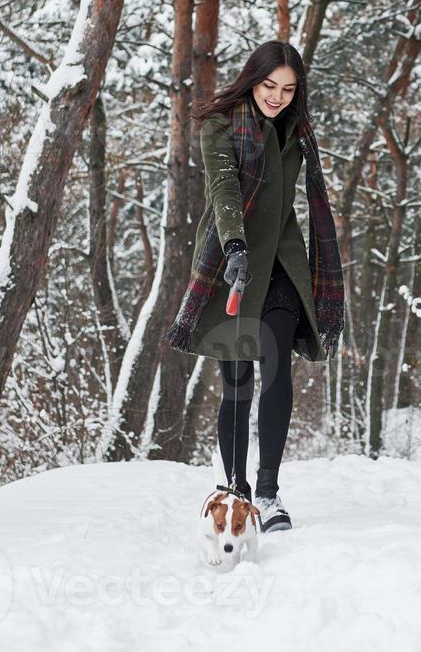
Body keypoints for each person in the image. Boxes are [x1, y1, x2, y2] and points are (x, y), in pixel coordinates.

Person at [159, 40, 346, 534]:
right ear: (252, 79)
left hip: (282, 261)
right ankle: (236, 489)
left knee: (277, 363)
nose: (277, 97)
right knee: (237, 383)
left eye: (288, 89)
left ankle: (268, 489)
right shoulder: (219, 124)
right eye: (269, 86)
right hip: (230, 259)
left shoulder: (296, 131)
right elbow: (223, 189)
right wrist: (235, 245)